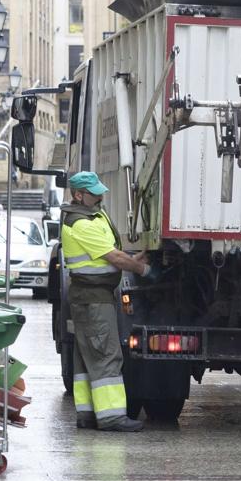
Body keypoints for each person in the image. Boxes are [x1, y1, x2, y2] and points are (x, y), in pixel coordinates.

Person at [61, 171, 150, 432]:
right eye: (94, 193)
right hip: (93, 300)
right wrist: (142, 269)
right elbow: (113, 258)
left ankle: (87, 415)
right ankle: (112, 417)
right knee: (106, 355)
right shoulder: (80, 223)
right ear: (78, 195)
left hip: (91, 298)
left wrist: (134, 258)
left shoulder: (93, 214)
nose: (100, 197)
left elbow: (115, 252)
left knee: (85, 358)